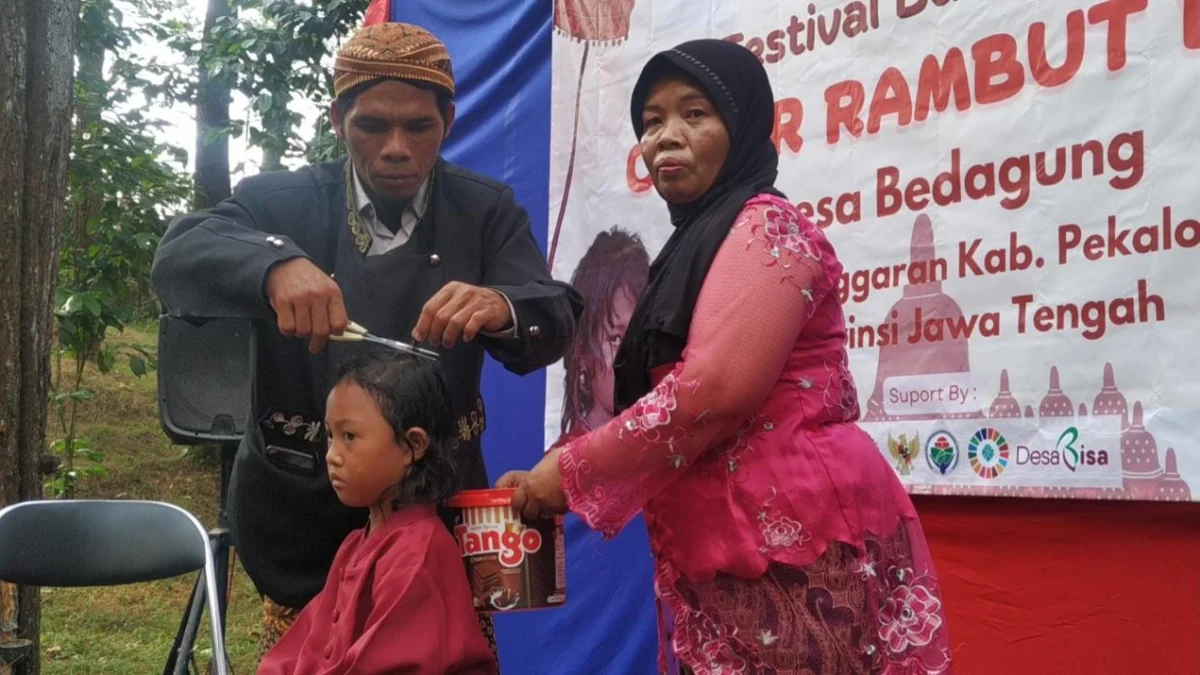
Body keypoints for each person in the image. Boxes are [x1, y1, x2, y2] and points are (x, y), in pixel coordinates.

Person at [499, 39, 952, 674]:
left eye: (694, 114)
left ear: (740, 125)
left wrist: (572, 474)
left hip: (799, 544)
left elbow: (712, 391)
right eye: (651, 121)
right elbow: (642, 399)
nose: (666, 137)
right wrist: (553, 469)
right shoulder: (692, 249)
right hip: (722, 545)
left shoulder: (768, 227)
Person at [151, 22, 582, 658]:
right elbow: (179, 257)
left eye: (420, 127)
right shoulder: (279, 204)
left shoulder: (484, 210)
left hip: (434, 516)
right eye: (372, 126)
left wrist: (499, 304)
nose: (396, 149)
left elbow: (555, 312)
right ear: (337, 120)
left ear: (450, 122)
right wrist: (273, 265)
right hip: (302, 517)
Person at [258, 350, 497, 674]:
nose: (332, 456)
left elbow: (387, 664)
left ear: (413, 446)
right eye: (330, 436)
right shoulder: (355, 545)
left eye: (350, 437)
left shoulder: (419, 552)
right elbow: (309, 646)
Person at [557, 226, 650, 442]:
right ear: (581, 352)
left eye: (642, 333)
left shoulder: (670, 449)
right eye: (615, 338)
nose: (633, 354)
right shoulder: (561, 467)